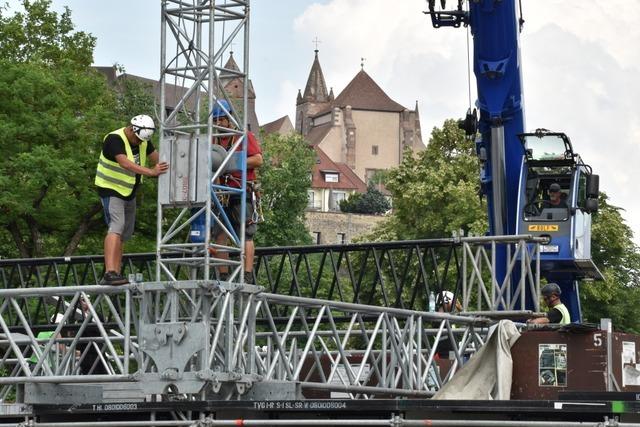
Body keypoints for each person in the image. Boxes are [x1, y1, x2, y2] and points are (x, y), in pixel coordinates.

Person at [95, 115, 168, 286]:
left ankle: (117, 272)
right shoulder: (114, 139)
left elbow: (157, 159)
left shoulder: (142, 140)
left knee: (125, 233)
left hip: (129, 192)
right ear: (131, 128)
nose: (137, 142)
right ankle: (109, 271)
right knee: (116, 226)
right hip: (111, 189)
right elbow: (125, 163)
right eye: (136, 138)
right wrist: (151, 172)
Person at [211, 100, 263, 284]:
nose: (217, 124)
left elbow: (257, 160)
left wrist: (233, 162)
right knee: (219, 235)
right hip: (221, 193)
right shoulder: (214, 140)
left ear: (229, 119)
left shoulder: (243, 136)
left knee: (245, 233)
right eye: (215, 121)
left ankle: (247, 275)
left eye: (220, 120)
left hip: (241, 191)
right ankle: (223, 275)